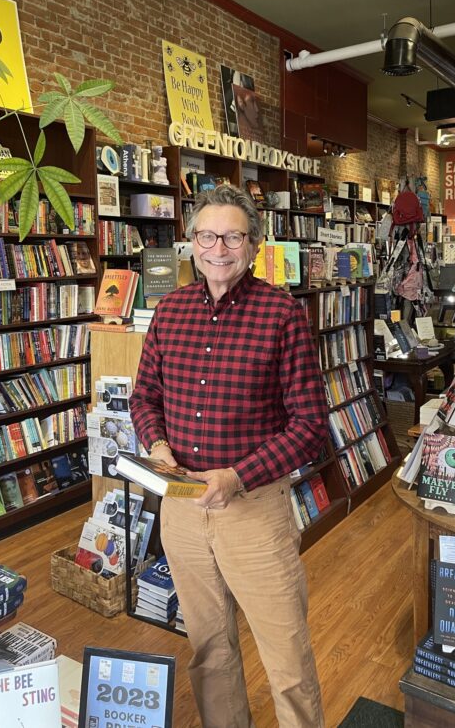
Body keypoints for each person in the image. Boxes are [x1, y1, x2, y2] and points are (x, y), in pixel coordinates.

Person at [130, 184, 327, 728]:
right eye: (208, 235)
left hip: (254, 509)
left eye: (233, 236)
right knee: (209, 648)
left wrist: (238, 476)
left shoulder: (282, 314)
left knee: (286, 657)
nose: (219, 247)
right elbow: (143, 396)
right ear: (191, 243)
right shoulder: (168, 312)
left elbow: (311, 427)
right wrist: (158, 445)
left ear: (254, 244)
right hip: (183, 504)